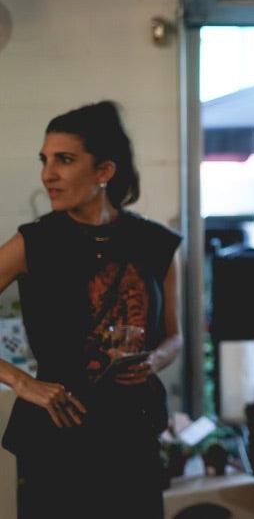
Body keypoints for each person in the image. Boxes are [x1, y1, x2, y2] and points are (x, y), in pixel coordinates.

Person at [0, 101, 182, 518]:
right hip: (58, 437)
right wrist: (20, 382)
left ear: (104, 171)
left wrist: (155, 358)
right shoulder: (35, 242)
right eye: (45, 160)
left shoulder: (156, 244)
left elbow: (176, 335)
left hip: (133, 435)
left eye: (64, 160)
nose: (48, 174)